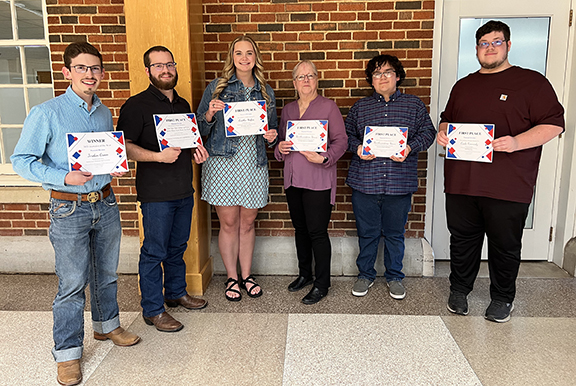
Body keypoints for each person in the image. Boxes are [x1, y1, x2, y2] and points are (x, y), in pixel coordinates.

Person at [11, 42, 140, 386]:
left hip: (106, 202)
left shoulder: (102, 111)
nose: (90, 74)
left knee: (107, 273)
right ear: (67, 72)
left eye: (95, 68)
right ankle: (67, 353)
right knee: (71, 283)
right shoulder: (46, 112)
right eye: (82, 68)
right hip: (69, 206)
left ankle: (106, 325)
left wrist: (113, 167)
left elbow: (100, 156)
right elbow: (21, 161)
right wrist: (63, 176)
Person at [437, 20, 564, 323]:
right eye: (484, 43)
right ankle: (459, 290)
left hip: (508, 184)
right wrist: (443, 133)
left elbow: (554, 125)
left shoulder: (532, 83)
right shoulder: (463, 85)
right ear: (477, 49)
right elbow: (447, 119)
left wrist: (516, 142)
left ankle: (502, 298)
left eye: (496, 42)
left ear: (508, 45)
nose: (490, 48)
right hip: (462, 182)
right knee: (462, 240)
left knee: (505, 245)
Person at [117, 46, 209, 333]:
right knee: (154, 251)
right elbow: (126, 147)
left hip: (183, 189)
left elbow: (188, 141)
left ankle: (176, 293)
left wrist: (198, 151)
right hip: (155, 194)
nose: (165, 70)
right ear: (147, 71)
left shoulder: (182, 105)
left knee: (177, 247)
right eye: (158, 66)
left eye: (169, 64)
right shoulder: (136, 106)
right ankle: (153, 310)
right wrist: (157, 156)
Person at [346, 54, 436, 300]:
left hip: (399, 182)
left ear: (398, 76)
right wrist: (357, 149)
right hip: (366, 181)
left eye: (387, 72)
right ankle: (365, 274)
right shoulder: (360, 108)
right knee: (367, 233)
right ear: (371, 80)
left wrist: (409, 147)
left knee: (395, 233)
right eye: (377, 73)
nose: (382, 77)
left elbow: (429, 133)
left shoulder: (414, 105)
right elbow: (346, 137)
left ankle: (395, 276)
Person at [197, 35, 278, 302]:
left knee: (248, 222)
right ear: (231, 57)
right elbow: (199, 129)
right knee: (229, 222)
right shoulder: (217, 87)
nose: (244, 58)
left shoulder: (266, 92)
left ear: (256, 58)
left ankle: (247, 275)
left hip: (252, 163)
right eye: (239, 53)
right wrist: (209, 113)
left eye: (249, 53)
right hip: (223, 163)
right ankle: (232, 277)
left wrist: (271, 136)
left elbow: (272, 130)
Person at [274, 61, 348, 305]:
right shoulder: (288, 110)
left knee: (317, 232)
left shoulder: (329, 107)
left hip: (318, 180)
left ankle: (322, 283)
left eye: (310, 76)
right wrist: (280, 148)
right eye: (300, 77)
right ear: (294, 83)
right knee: (300, 230)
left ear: (317, 80)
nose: (305, 80)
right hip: (293, 180)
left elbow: (341, 142)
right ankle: (305, 274)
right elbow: (281, 146)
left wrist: (324, 157)